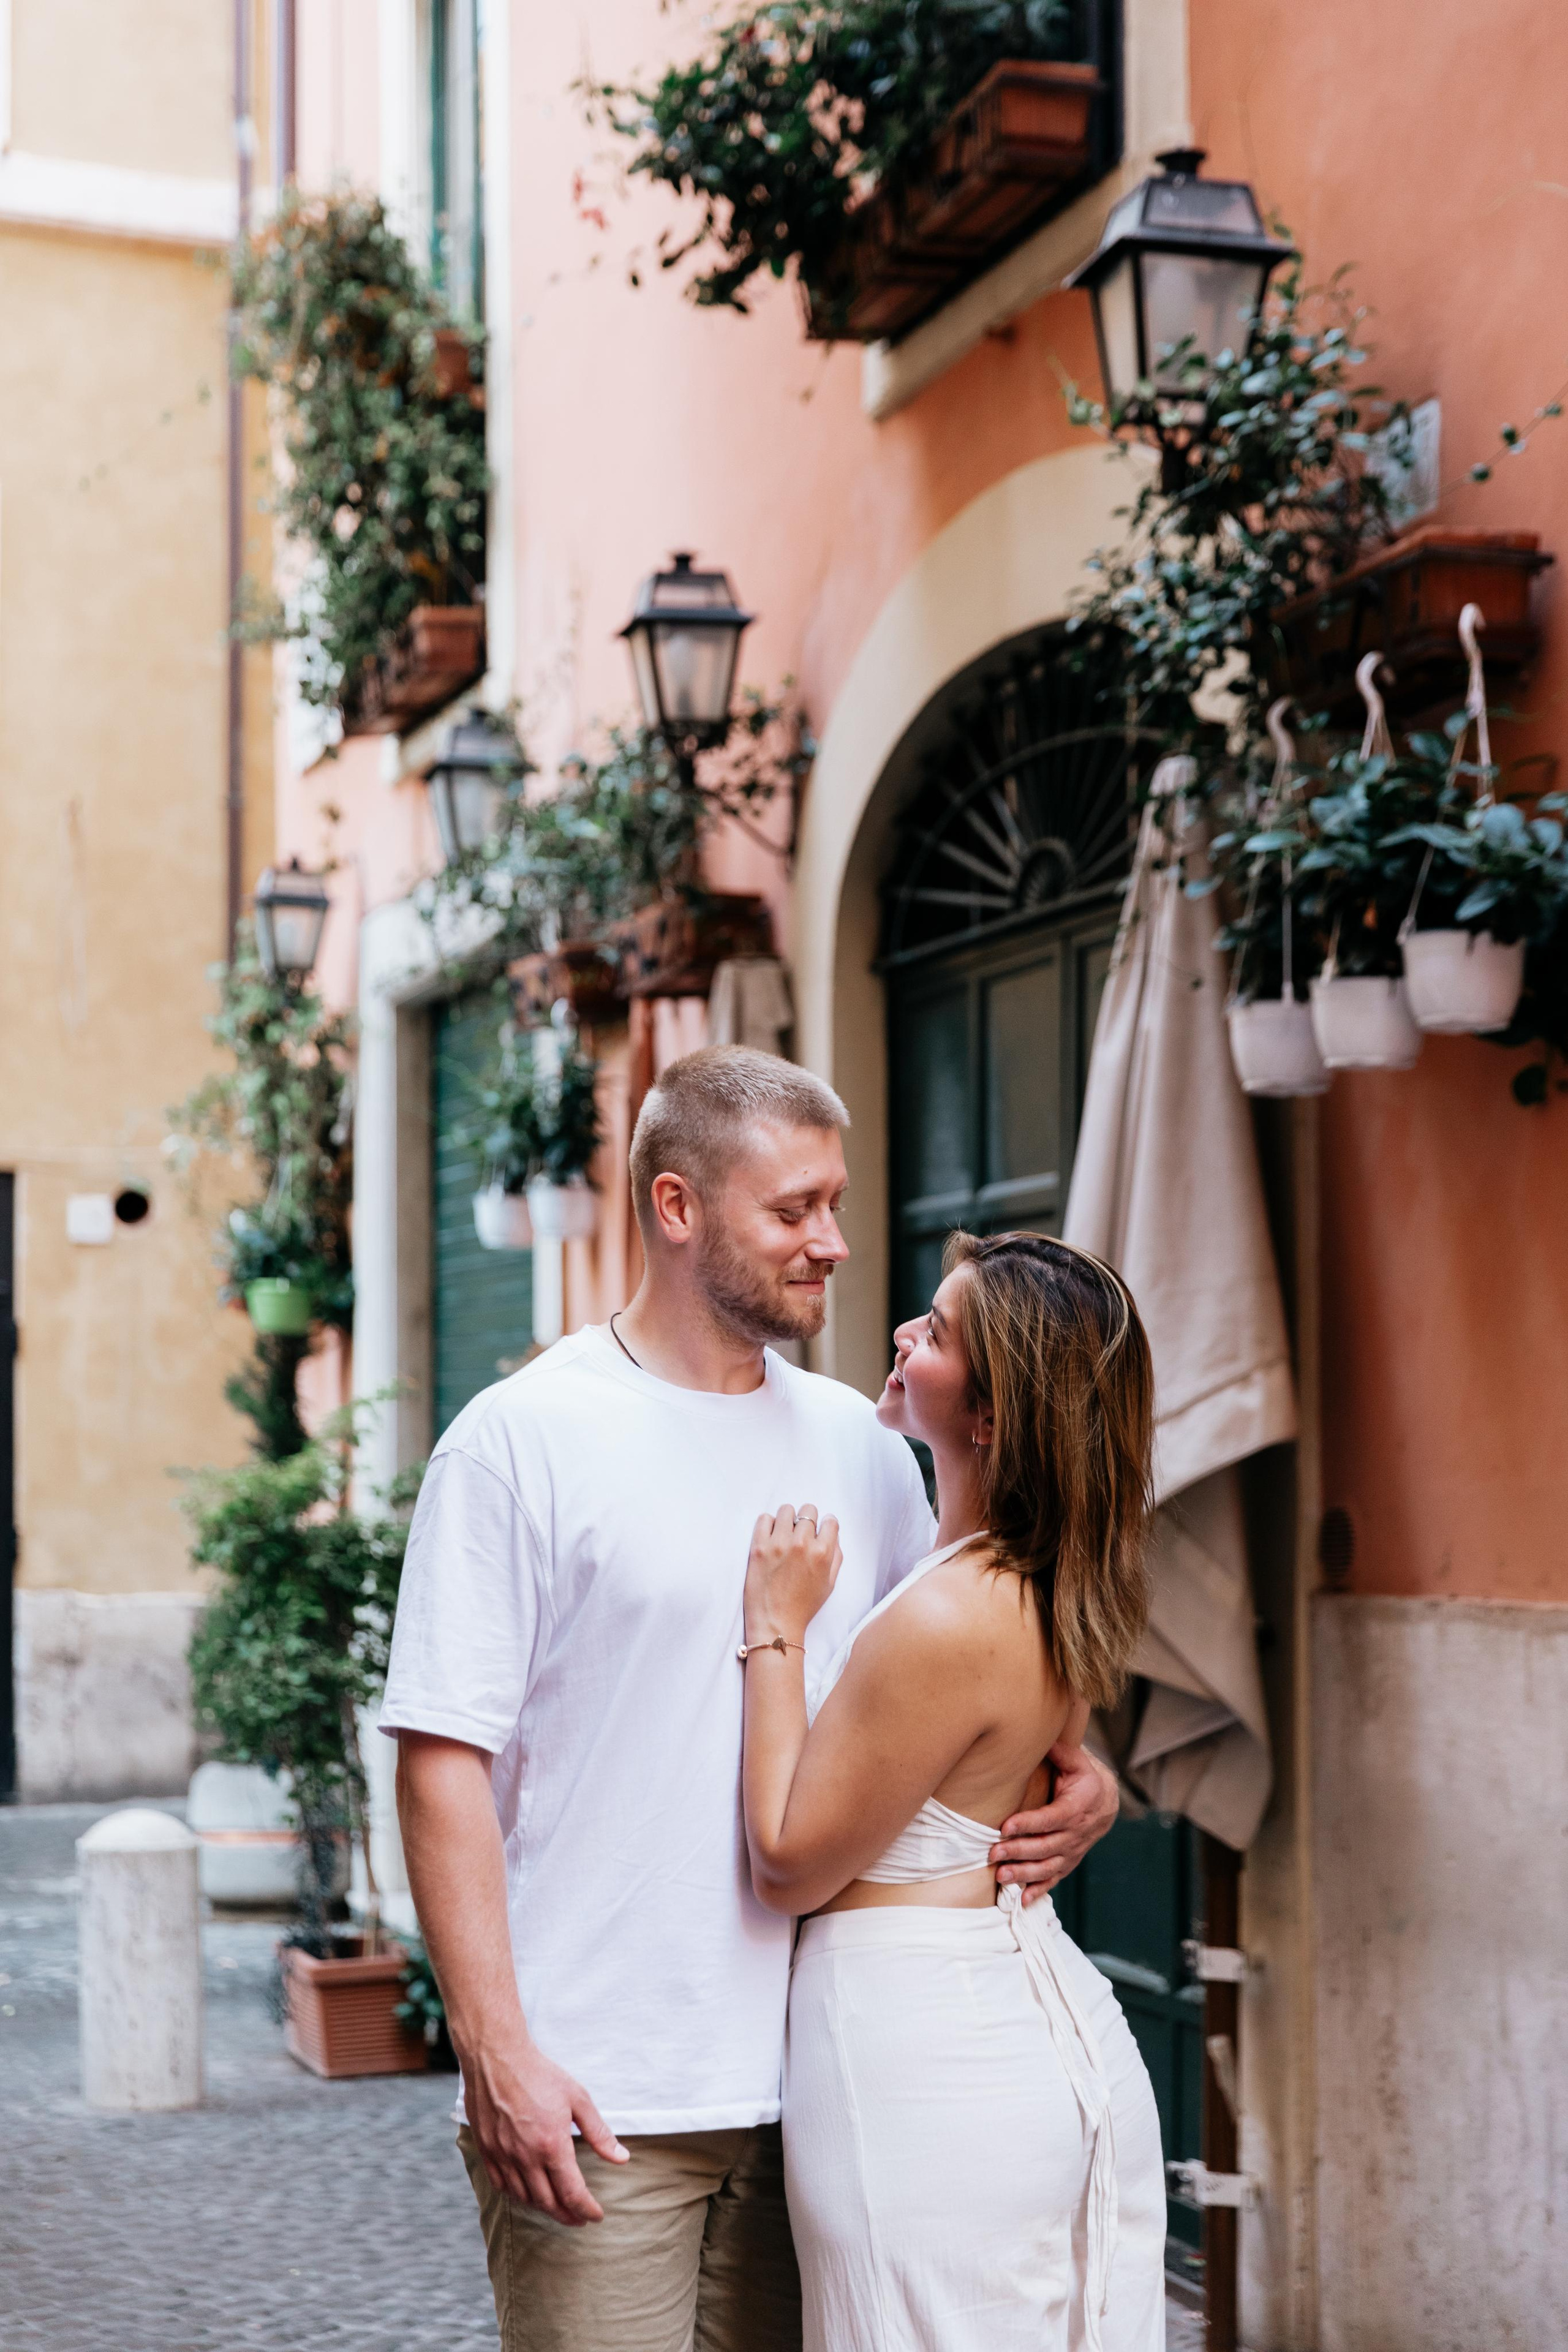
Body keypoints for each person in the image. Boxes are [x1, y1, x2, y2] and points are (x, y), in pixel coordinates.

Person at [381, 1047, 1121, 2352]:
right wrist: (495, 2051)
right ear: (677, 1209)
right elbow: (442, 1762)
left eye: (833, 1205)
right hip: (604, 2103)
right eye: (793, 1211)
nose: (833, 1244)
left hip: (827, 2101)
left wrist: (1084, 1772)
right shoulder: (521, 1439)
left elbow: (964, 1681)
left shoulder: (862, 1442)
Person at [740, 1229, 1168, 2352]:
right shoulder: (1053, 1582)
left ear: (989, 1416)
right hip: (1020, 2024)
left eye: (934, 1331)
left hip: (926, 2064)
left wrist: (772, 1630)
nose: (900, 1332)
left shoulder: (947, 1615)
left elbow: (788, 1860)